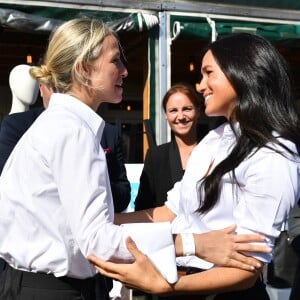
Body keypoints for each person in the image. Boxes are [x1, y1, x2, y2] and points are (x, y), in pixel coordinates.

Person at [0, 19, 273, 300]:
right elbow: (98, 240)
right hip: (54, 289)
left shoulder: (62, 126)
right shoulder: (72, 132)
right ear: (83, 69)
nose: (124, 70)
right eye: (115, 61)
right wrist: (194, 243)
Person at [88, 32, 300, 300]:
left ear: (242, 72)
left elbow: (247, 267)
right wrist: (100, 222)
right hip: (179, 282)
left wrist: (166, 286)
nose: (200, 85)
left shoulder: (273, 153)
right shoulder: (215, 139)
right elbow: (170, 212)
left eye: (209, 73)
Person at [134, 82, 203, 210]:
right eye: (173, 111)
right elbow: (143, 207)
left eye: (187, 109)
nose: (181, 116)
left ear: (198, 111)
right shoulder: (156, 156)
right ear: (166, 115)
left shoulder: (214, 151)